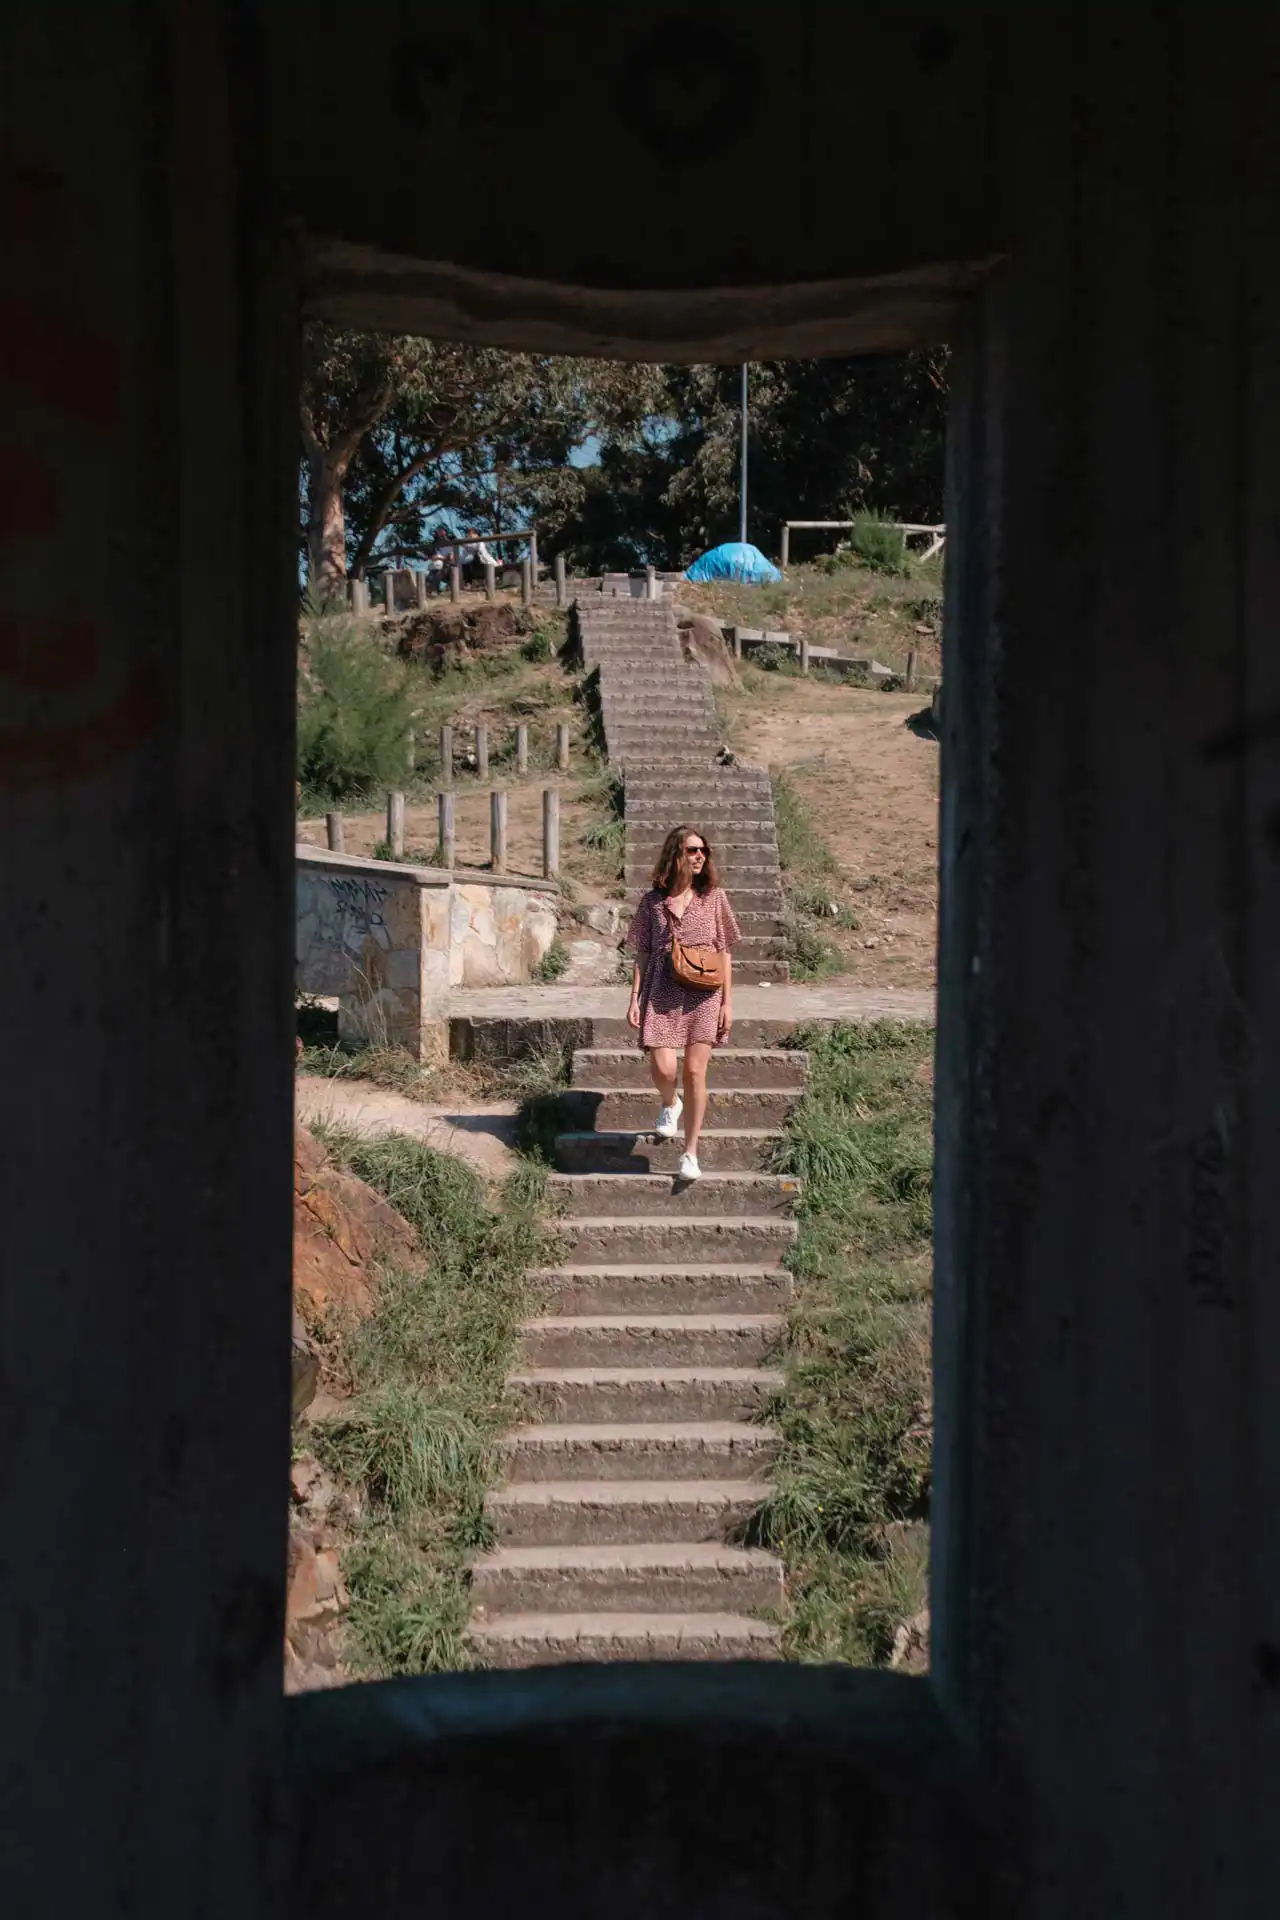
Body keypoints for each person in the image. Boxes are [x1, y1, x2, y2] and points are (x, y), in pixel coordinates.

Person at [626, 823, 740, 1182]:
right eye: (692, 850)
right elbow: (643, 953)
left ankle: (690, 1153)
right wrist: (634, 998)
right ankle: (669, 1102)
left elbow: (724, 951)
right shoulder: (652, 902)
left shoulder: (715, 897)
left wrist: (727, 1003)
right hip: (662, 988)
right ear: (676, 853)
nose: (700, 856)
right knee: (664, 1069)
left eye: (703, 850)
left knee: (694, 1071)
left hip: (705, 991)